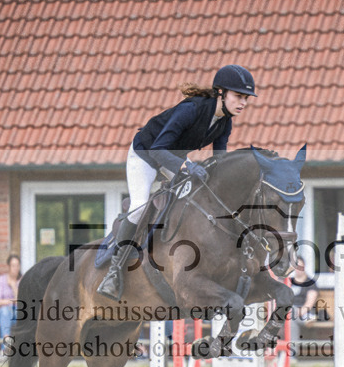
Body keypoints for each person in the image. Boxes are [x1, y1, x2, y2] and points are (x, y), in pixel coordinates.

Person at [97, 64, 257, 300]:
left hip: (173, 159)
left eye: (246, 98)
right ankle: (114, 270)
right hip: (146, 153)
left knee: (197, 197)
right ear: (221, 93)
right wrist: (188, 167)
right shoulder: (191, 109)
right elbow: (159, 149)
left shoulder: (225, 121)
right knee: (139, 208)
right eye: (239, 96)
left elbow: (219, 159)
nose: (243, 102)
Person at [287, 256, 319, 352]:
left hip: (303, 311)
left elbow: (309, 303)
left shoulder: (310, 283)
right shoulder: (289, 282)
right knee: (290, 318)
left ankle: (290, 355)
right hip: (289, 313)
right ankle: (290, 355)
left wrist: (299, 311)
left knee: (291, 319)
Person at [0, 254, 21, 360]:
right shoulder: (1, 280)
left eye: (17, 265)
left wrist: (14, 287)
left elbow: (21, 302)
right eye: (13, 266)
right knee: (5, 312)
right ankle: (6, 349)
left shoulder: (21, 281)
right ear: (8, 267)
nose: (15, 268)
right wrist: (11, 302)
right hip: (4, 312)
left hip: (17, 312)